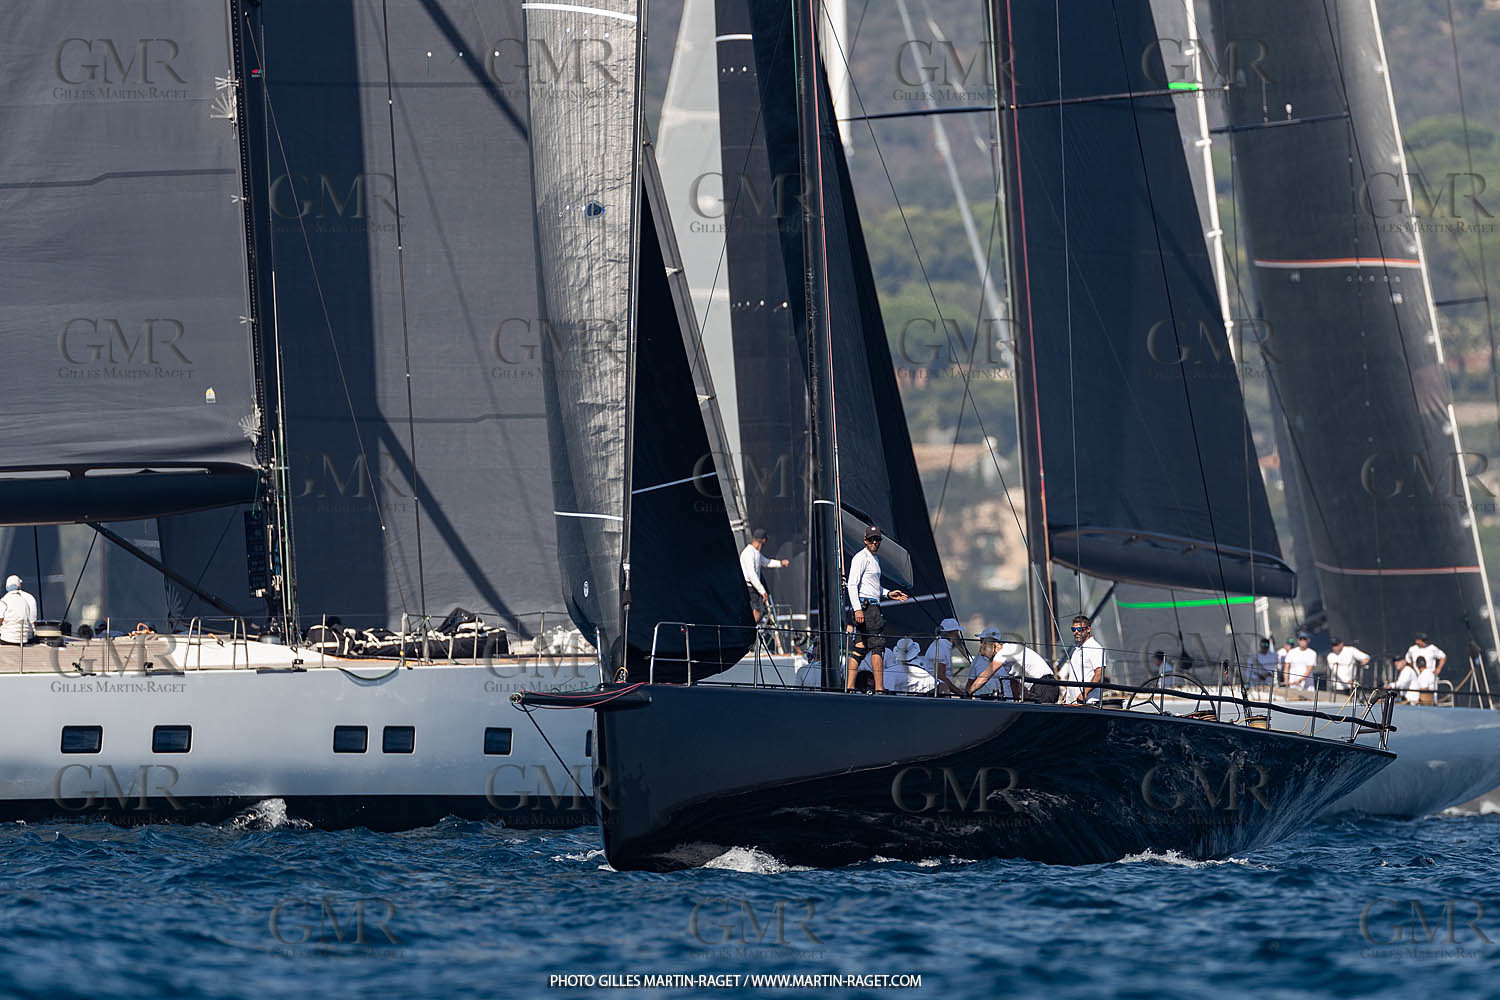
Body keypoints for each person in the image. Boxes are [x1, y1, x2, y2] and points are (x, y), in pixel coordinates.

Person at [845, 525, 909, 692]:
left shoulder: (875, 559)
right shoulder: (861, 558)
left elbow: (873, 587)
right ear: (865, 540)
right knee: (878, 646)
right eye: (871, 539)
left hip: (871, 604)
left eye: (877, 539)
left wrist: (889, 594)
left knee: (860, 647)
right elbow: (852, 584)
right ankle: (880, 688)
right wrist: (857, 609)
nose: (874, 542)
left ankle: (849, 687)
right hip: (868, 609)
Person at [740, 528, 789, 624]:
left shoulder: (756, 553)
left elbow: (766, 562)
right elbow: (751, 575)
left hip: (754, 587)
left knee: (762, 612)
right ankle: (749, 632)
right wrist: (762, 591)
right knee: (757, 612)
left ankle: (755, 629)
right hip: (749, 587)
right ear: (763, 540)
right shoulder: (749, 553)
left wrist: (781, 563)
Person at [1059, 615, 1105, 705]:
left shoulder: (1095, 648)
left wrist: (1085, 692)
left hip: (1088, 702)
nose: (1076, 632)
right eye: (1073, 629)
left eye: (1080, 629)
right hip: (1072, 701)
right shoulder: (1077, 649)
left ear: (1088, 629)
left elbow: (1099, 674)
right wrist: (1066, 695)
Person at [923, 617, 966, 695]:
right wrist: (960, 693)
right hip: (938, 691)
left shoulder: (943, 646)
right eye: (957, 632)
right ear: (953, 633)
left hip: (942, 689)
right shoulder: (940, 648)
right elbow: (940, 676)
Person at [0, 575, 38, 646]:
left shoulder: (4, 601)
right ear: (19, 585)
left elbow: (0, 619)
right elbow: (32, 621)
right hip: (25, 639)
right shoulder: (26, 600)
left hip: (7, 639)